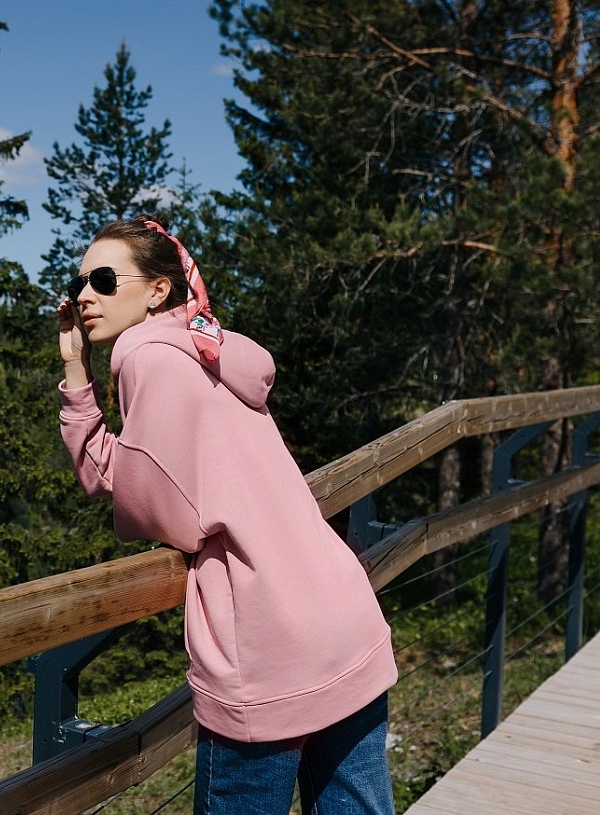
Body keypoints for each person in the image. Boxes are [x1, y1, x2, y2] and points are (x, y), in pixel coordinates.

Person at [56, 215, 398, 815]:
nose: (85, 295)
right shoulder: (212, 349)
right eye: (79, 281)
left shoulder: (143, 356)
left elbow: (153, 505)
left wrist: (79, 383)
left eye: (104, 280)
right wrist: (77, 368)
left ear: (157, 290)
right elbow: (144, 473)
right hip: (342, 617)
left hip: (266, 645)